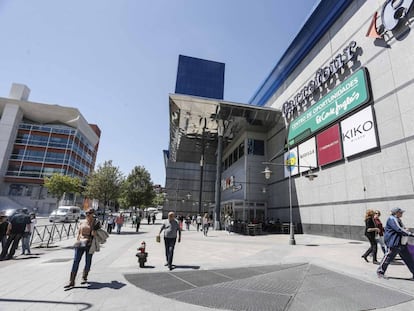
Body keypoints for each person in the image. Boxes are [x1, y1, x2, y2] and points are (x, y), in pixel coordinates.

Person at [64, 208, 101, 288]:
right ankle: (72, 281)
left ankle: (84, 277)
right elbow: (79, 233)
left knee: (88, 261)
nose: (88, 214)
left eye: (90, 213)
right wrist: (77, 240)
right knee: (75, 261)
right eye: (86, 213)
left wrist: (94, 230)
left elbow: (96, 234)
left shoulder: (96, 222)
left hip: (89, 244)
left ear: (93, 214)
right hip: (80, 243)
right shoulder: (82, 222)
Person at [377, 207, 414, 279]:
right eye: (401, 212)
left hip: (401, 243)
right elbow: (398, 229)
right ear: (396, 213)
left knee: (408, 258)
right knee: (388, 257)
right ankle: (380, 272)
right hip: (394, 242)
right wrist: (410, 234)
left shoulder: (398, 219)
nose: (402, 213)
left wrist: (406, 231)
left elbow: (402, 229)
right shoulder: (392, 219)